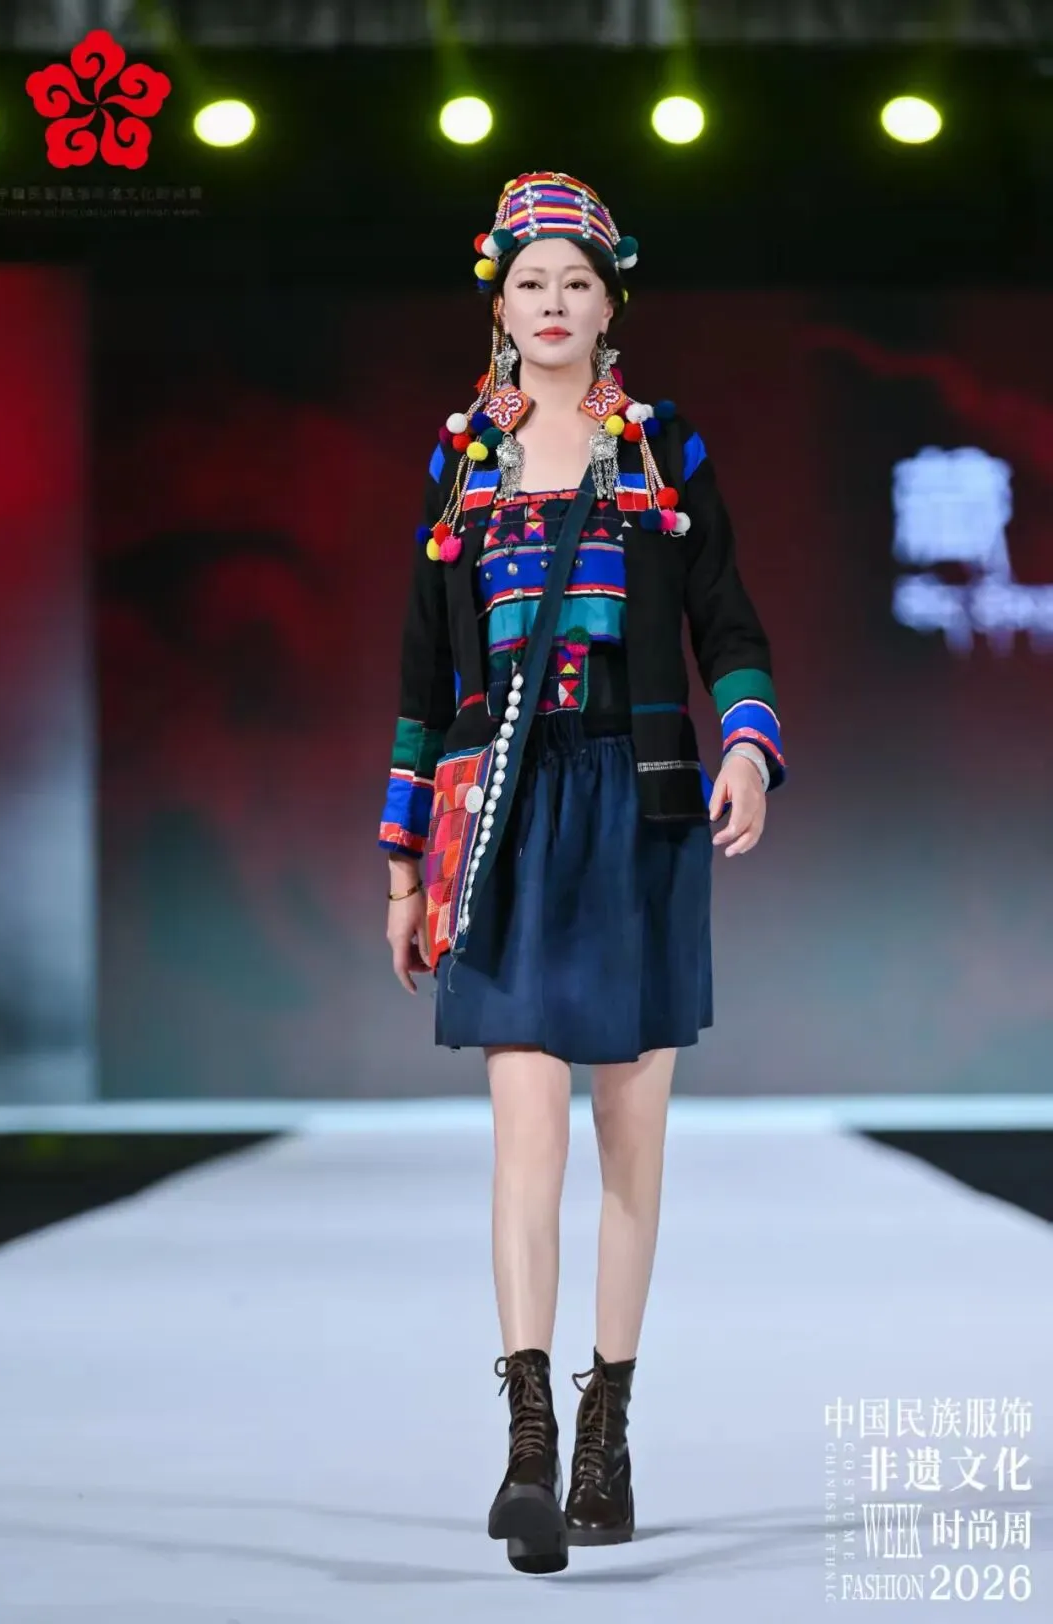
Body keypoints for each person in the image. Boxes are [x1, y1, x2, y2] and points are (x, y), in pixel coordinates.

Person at [378, 171, 787, 1574]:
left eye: (577, 283)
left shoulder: (662, 449)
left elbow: (729, 622)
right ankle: (529, 1443)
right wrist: (401, 867)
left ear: (613, 303)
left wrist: (748, 750)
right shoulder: (462, 463)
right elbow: (424, 678)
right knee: (523, 1133)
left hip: (641, 802)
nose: (552, 304)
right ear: (498, 305)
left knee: (630, 1133)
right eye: (529, 284)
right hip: (498, 815)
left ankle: (608, 1425)